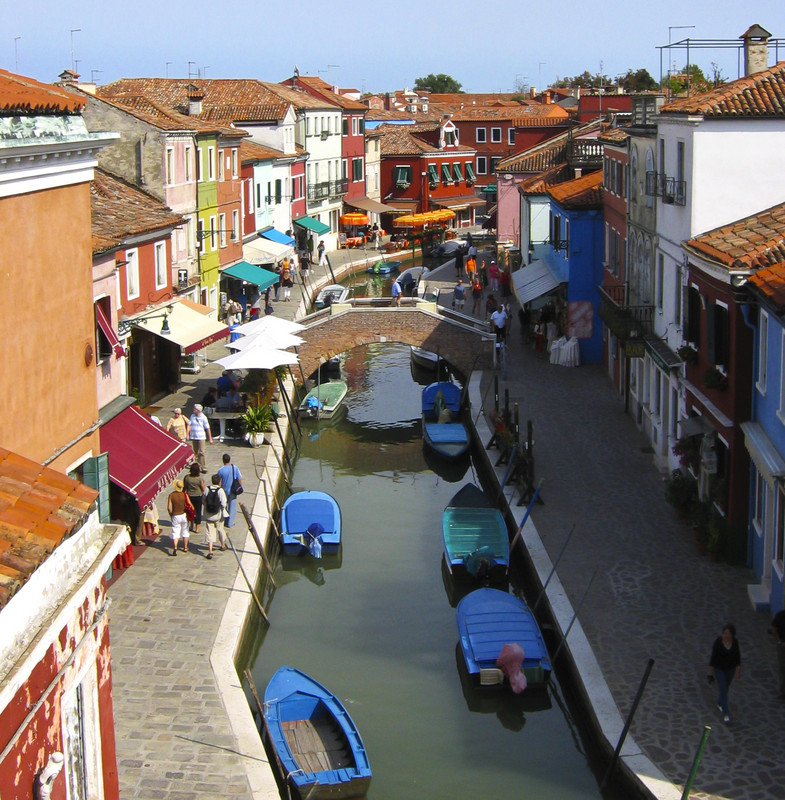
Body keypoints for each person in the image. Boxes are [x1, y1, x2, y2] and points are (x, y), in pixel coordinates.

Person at [708, 623, 741, 723]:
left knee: (725, 688)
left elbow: (737, 656)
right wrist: (710, 672)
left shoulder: (734, 642)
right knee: (723, 688)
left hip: (730, 669)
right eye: (725, 633)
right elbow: (713, 657)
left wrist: (738, 669)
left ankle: (720, 702)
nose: (726, 635)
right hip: (719, 669)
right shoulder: (718, 642)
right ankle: (726, 714)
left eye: (728, 633)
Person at [202, 474, 228, 558]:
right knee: (220, 529)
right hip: (218, 515)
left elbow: (203, 500)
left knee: (209, 532)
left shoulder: (207, 489)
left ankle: (210, 551)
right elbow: (224, 503)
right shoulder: (220, 491)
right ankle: (223, 545)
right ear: (219, 482)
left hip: (209, 515)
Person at [217, 453, 242, 529]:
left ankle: (225, 519)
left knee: (224, 505)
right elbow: (239, 478)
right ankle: (230, 523)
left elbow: (219, 482)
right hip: (233, 490)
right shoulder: (235, 468)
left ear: (223, 460)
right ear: (229, 460)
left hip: (224, 490)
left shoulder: (220, 470)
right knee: (232, 507)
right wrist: (239, 486)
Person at [167, 479, 189, 556]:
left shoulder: (171, 495)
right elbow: (189, 504)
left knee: (175, 532)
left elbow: (169, 508)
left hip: (175, 515)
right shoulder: (184, 495)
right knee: (185, 531)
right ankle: (185, 547)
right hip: (183, 514)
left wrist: (171, 515)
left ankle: (175, 547)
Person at [188, 404, 213, 473]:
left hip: (201, 437)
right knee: (195, 452)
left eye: (195, 409)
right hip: (194, 436)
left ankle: (203, 467)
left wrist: (210, 438)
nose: (193, 410)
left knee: (201, 452)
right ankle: (197, 466)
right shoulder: (192, 416)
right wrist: (188, 434)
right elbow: (189, 425)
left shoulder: (203, 417)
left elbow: (207, 428)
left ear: (198, 410)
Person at [183, 462, 205, 534]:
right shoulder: (199, 479)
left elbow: (184, 487)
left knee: (190, 511)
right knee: (198, 512)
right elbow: (203, 488)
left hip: (189, 496)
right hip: (198, 496)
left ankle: (191, 525)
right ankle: (197, 528)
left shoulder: (187, 478)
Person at [769, 609, 785, 699]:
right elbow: (773, 628)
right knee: (783, 668)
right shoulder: (780, 615)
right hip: (782, 646)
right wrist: (779, 641)